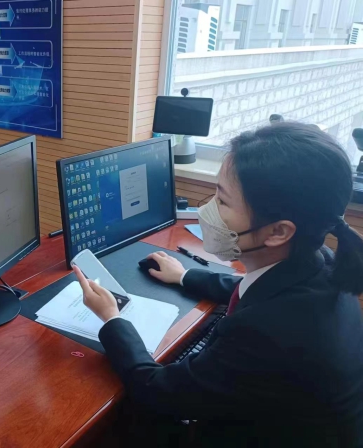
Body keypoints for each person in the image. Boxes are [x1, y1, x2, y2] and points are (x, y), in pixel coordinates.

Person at [73, 122, 363, 447]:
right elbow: (252, 287)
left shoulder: (268, 333)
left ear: (278, 232)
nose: (206, 210)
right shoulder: (320, 261)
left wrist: (112, 319)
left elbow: (157, 390)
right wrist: (184, 276)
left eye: (223, 202)